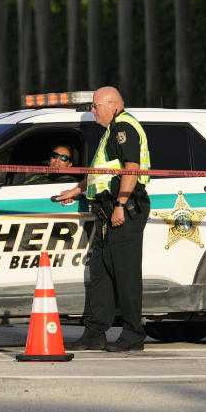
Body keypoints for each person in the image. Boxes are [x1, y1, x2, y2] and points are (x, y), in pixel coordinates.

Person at [53, 85, 151, 353]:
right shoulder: (111, 131)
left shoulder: (123, 128)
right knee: (101, 272)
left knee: (126, 274)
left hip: (125, 208)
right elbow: (101, 171)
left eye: (96, 106)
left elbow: (132, 169)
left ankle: (133, 335)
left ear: (113, 105)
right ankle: (95, 333)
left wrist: (120, 204)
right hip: (107, 211)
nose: (93, 111)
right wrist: (76, 190)